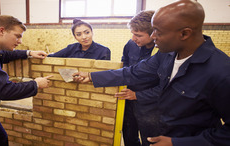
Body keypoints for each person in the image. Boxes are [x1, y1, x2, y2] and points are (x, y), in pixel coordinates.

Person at [73, 0, 230, 145]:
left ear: (184, 34)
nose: (153, 37)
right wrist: (91, 76)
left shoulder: (221, 72)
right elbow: (133, 72)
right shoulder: (166, 55)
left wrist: (177, 143)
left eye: (158, 32)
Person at [0, 15, 52, 146]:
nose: (19, 41)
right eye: (17, 36)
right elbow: (5, 90)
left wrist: (29, 53)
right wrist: (36, 84)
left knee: (0, 139)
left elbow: (3, 55)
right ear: (1, 31)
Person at [119, 10, 160, 146]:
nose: (133, 38)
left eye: (138, 35)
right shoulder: (130, 45)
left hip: (151, 107)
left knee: (150, 140)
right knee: (129, 138)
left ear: (154, 33)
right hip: (128, 103)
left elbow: (166, 87)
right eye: (132, 34)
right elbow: (124, 66)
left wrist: (137, 95)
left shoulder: (164, 52)